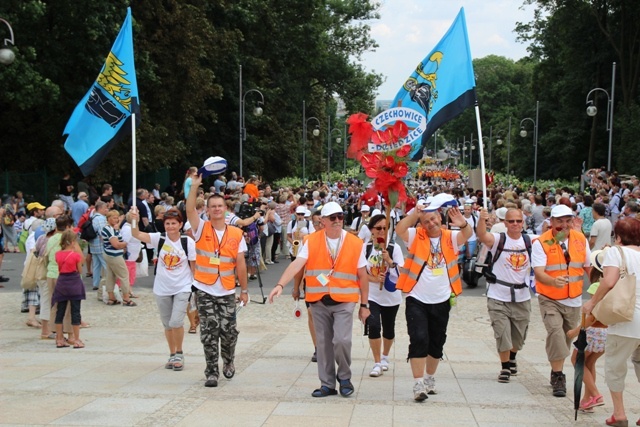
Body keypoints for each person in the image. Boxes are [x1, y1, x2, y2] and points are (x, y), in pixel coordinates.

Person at [269, 202, 370, 398]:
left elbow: (363, 276)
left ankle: (345, 378)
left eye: (340, 217)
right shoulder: (311, 241)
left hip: (345, 299)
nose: (337, 221)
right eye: (333, 218)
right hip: (318, 300)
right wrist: (281, 285)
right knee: (323, 344)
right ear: (322, 221)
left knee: (342, 340)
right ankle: (327, 384)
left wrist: (365, 305)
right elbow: (297, 264)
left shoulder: (355, 242)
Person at [395, 195, 472, 401]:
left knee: (437, 342)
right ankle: (418, 383)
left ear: (440, 217)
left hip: (442, 298)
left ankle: (430, 378)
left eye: (434, 219)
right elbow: (399, 230)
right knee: (419, 338)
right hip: (417, 298)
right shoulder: (416, 235)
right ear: (422, 223)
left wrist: (462, 222)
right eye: (426, 221)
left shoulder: (450, 237)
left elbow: (468, 233)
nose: (431, 223)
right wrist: (414, 214)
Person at [186, 173, 249, 388]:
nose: (216, 209)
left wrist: (244, 290)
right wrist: (194, 187)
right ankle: (211, 371)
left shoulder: (235, 233)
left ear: (225, 209)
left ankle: (229, 361)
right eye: (212, 206)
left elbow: (240, 263)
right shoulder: (201, 227)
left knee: (229, 331)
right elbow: (189, 210)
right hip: (204, 287)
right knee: (209, 331)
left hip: (227, 289)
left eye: (219, 206)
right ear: (207, 210)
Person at [582, 218, 640, 427]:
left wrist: (592, 302)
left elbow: (608, 281)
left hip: (626, 320)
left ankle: (619, 414)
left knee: (615, 367)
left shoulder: (617, 252)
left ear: (619, 236)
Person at [532, 204, 590, 397]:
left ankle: (555, 366)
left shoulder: (580, 239)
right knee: (556, 333)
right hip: (549, 297)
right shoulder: (544, 242)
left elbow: (588, 266)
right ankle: (558, 375)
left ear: (572, 220)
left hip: (573, 298)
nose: (564, 225)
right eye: (559, 221)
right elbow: (539, 272)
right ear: (552, 222)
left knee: (566, 337)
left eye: (567, 220)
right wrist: (552, 280)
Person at [131, 207, 196, 371]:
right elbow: (136, 234)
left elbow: (194, 266)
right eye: (167, 223)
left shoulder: (187, 242)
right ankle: (172, 353)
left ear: (180, 224)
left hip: (183, 286)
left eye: (174, 223)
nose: (170, 226)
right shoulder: (158, 239)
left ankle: (179, 353)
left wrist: (196, 286)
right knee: (167, 324)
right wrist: (135, 219)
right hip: (162, 287)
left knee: (176, 321)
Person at [477, 207, 533, 383]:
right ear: (505, 223)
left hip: (522, 296)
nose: (515, 224)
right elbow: (482, 236)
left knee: (519, 336)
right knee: (502, 333)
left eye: (518, 221)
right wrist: (481, 220)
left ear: (523, 222)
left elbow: (552, 241)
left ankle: (512, 356)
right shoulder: (499, 239)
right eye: (511, 221)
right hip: (498, 295)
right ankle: (505, 367)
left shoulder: (531, 241)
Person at [364, 214, 403, 378]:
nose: (381, 232)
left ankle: (386, 356)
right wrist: (373, 278)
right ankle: (377, 362)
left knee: (389, 328)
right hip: (372, 295)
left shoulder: (394, 248)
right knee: (373, 325)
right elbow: (358, 273)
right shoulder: (365, 248)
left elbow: (402, 274)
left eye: (385, 228)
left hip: (391, 296)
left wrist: (389, 261)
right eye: (378, 228)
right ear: (371, 230)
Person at [567, 253, 607, 412]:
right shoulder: (613, 285)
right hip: (606, 332)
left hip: (593, 331)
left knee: (577, 361)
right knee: (589, 364)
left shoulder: (596, 286)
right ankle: (587, 399)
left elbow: (592, 315)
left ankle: (595, 394)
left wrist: (575, 331)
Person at [52, 230, 86, 348]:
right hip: (74, 282)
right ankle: (76, 339)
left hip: (62, 282)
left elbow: (59, 268)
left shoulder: (58, 254)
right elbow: (80, 270)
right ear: (72, 242)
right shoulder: (75, 255)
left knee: (60, 311)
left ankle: (59, 339)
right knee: (75, 311)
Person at [101, 210, 136, 306]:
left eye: (117, 217)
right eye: (114, 217)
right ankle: (126, 298)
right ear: (108, 218)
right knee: (124, 275)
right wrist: (125, 244)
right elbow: (116, 244)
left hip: (109, 254)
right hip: (114, 255)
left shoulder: (110, 228)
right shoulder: (110, 229)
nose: (116, 220)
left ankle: (111, 297)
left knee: (110, 275)